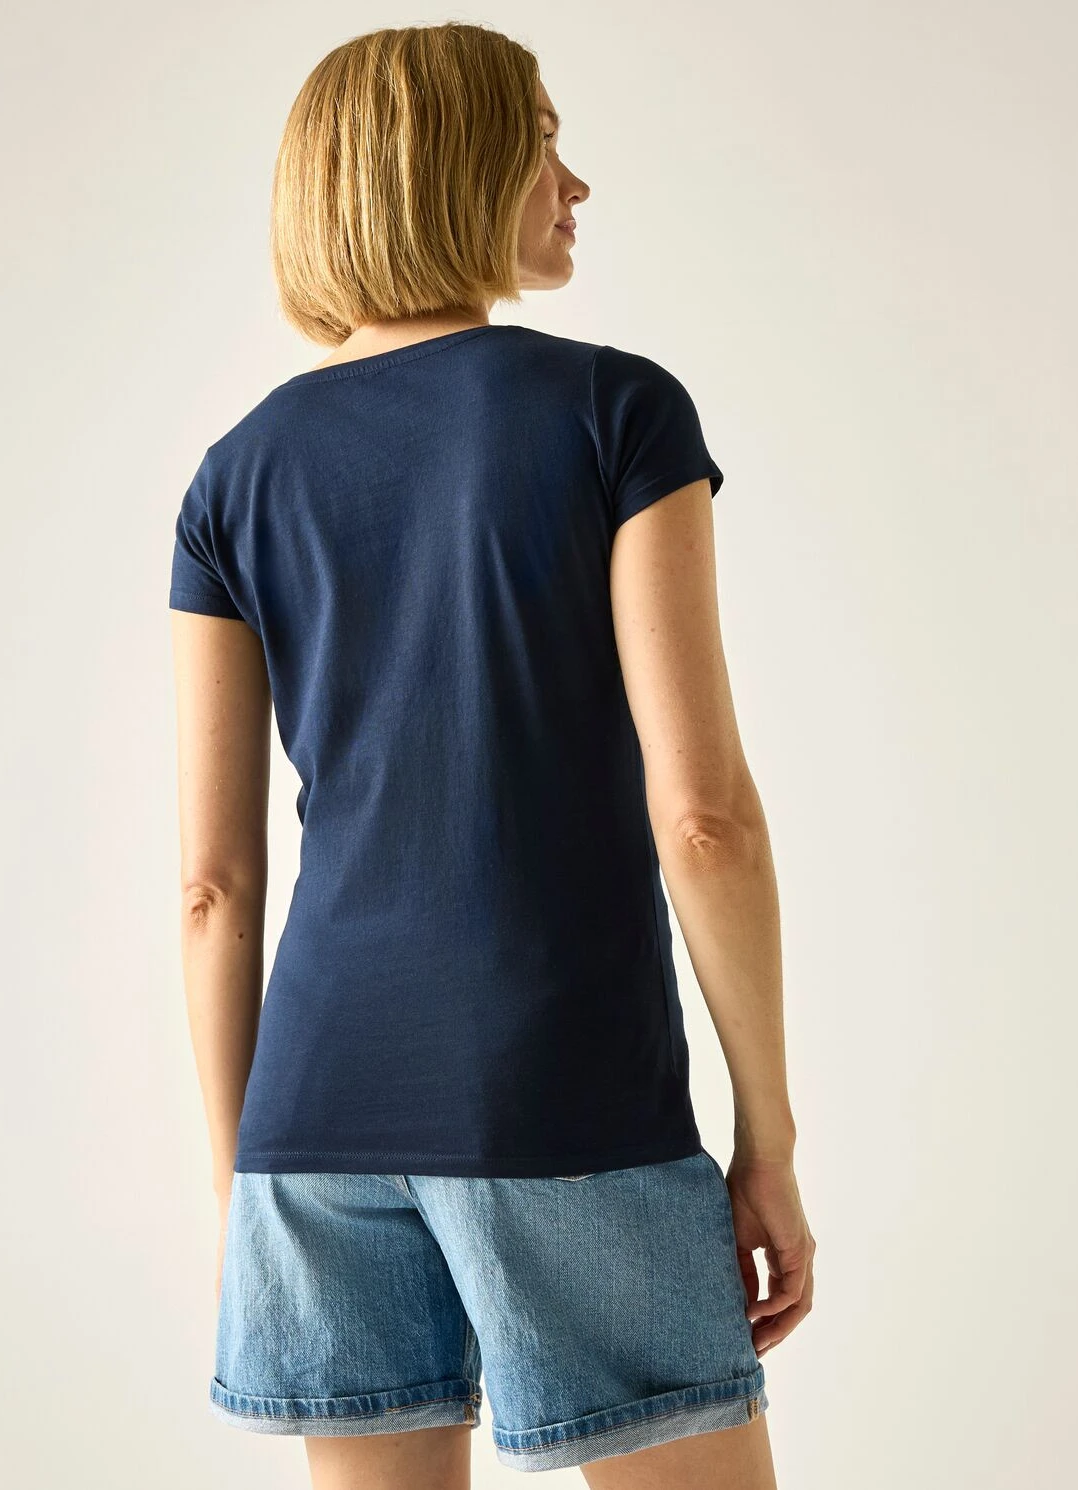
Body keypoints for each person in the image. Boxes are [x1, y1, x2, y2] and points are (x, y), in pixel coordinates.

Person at [169, 21, 814, 1490]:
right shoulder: (613, 412)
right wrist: (765, 1138)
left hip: (310, 1120)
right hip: (561, 1086)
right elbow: (704, 819)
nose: (574, 183)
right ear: (450, 165)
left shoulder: (233, 476)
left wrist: (241, 1178)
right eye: (542, 143)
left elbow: (210, 886)